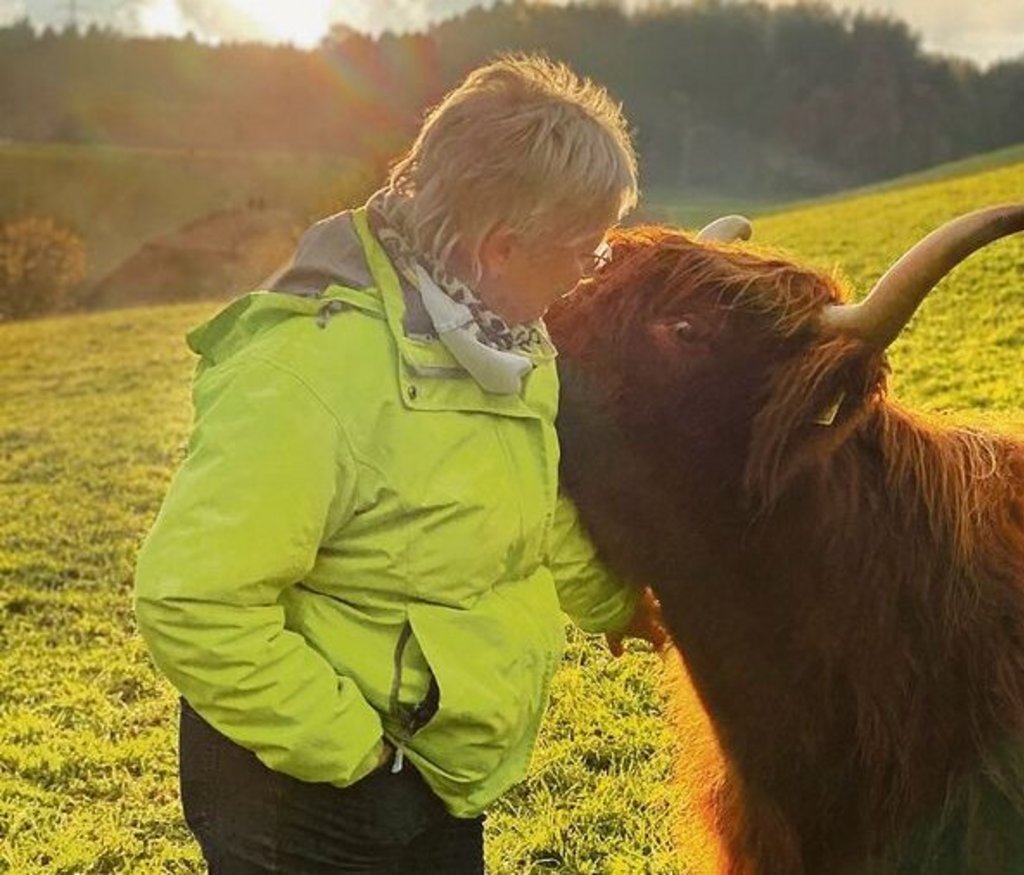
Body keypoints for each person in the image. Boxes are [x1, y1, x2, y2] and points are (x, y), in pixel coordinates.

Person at [133, 54, 664, 873]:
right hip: (309, 795)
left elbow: (526, 501)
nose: (584, 275)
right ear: (501, 247)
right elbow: (193, 602)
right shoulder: (303, 377)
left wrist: (618, 605)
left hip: (431, 772)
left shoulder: (501, 338)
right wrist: (359, 753)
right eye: (584, 252)